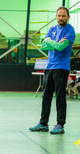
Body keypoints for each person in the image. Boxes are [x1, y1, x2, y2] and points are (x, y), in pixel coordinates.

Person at [29, 6, 75, 134]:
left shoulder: (70, 30)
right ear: (56, 16)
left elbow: (61, 47)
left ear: (68, 17)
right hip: (49, 67)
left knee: (60, 97)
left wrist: (51, 43)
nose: (61, 18)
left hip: (61, 67)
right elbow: (43, 45)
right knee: (46, 96)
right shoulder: (52, 29)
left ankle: (60, 124)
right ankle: (43, 124)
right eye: (59, 15)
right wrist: (54, 44)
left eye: (63, 16)